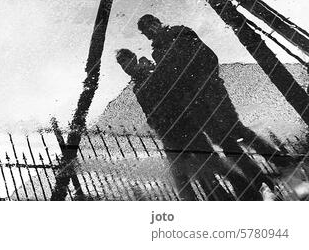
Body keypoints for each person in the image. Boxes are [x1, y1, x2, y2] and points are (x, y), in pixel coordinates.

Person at [134, 14, 284, 198]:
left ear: (158, 22)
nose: (151, 29)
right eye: (147, 29)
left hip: (209, 87)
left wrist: (208, 78)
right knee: (223, 140)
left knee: (234, 128)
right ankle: (259, 179)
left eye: (152, 24)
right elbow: (172, 80)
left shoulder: (179, 31)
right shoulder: (157, 53)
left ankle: (280, 161)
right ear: (146, 35)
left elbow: (207, 55)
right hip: (192, 100)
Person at [115, 49, 234, 200]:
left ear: (134, 58)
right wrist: (154, 124)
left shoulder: (151, 72)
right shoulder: (137, 86)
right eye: (121, 64)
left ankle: (243, 188)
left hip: (183, 124)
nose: (124, 66)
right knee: (191, 171)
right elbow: (149, 110)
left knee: (209, 165)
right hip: (168, 132)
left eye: (125, 60)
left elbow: (173, 91)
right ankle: (219, 196)